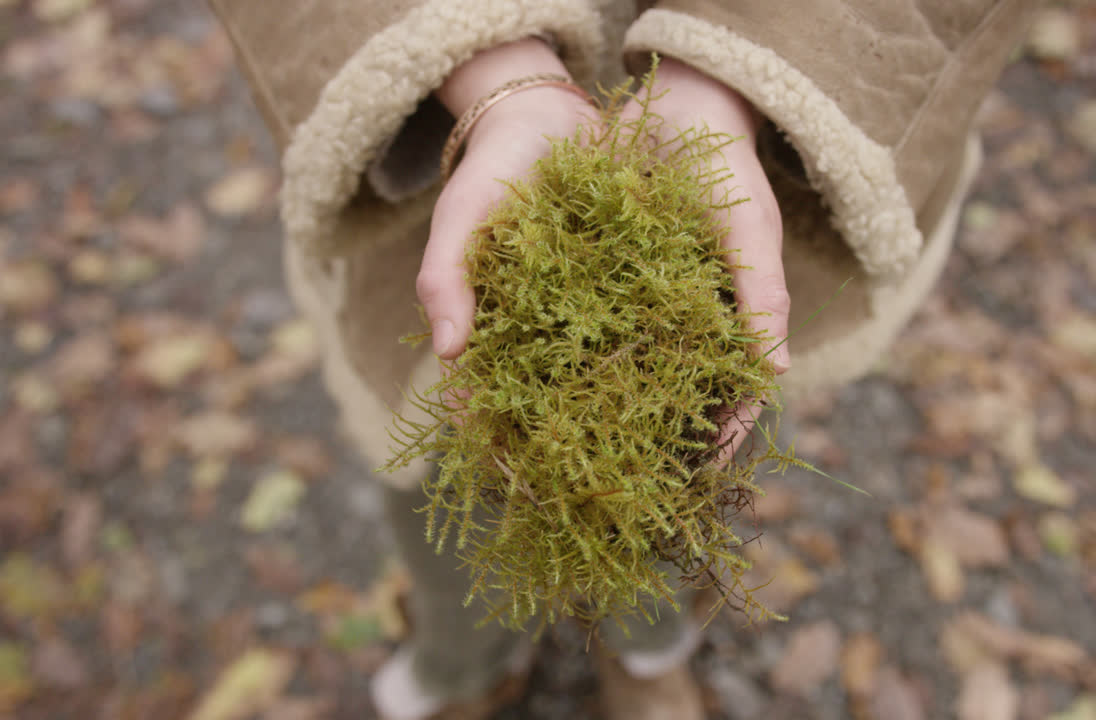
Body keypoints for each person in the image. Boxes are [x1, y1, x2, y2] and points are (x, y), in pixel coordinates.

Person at [208, 1, 1041, 718]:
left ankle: (649, 651)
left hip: (758, 172)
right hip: (424, 156)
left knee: (685, 466)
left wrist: (729, 75)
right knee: (441, 478)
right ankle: (463, 659)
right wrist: (486, 68)